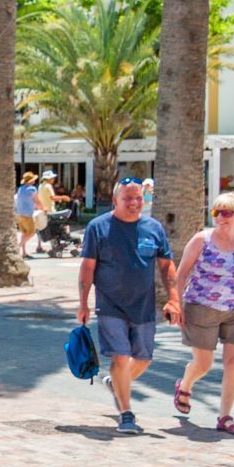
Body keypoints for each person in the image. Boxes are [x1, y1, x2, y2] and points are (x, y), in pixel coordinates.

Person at [77, 179, 176, 435]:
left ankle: (117, 383)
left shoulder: (153, 228)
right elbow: (87, 267)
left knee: (143, 359)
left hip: (144, 307)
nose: (134, 203)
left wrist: (174, 299)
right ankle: (127, 414)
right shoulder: (98, 227)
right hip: (110, 305)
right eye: (128, 198)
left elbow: (166, 266)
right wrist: (83, 303)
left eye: (138, 198)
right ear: (115, 200)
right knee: (120, 357)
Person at [169, 192, 234, 435]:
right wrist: (177, 304)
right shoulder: (202, 240)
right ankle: (185, 385)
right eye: (216, 212)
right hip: (200, 307)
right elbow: (181, 274)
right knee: (203, 364)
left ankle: (225, 416)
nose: (221, 217)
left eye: (227, 212)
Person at [37, 170, 69, 253]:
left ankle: (39, 246)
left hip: (42, 210)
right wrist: (63, 197)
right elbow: (52, 197)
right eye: (52, 177)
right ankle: (55, 245)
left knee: (42, 228)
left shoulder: (41, 186)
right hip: (50, 210)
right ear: (48, 178)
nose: (53, 179)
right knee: (53, 228)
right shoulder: (48, 186)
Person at [15, 172, 39, 259]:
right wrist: (43, 208)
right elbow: (37, 200)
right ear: (30, 180)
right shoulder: (32, 189)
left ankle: (24, 253)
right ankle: (18, 247)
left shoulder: (20, 188)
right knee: (32, 232)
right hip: (27, 214)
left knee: (24, 233)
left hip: (19, 214)